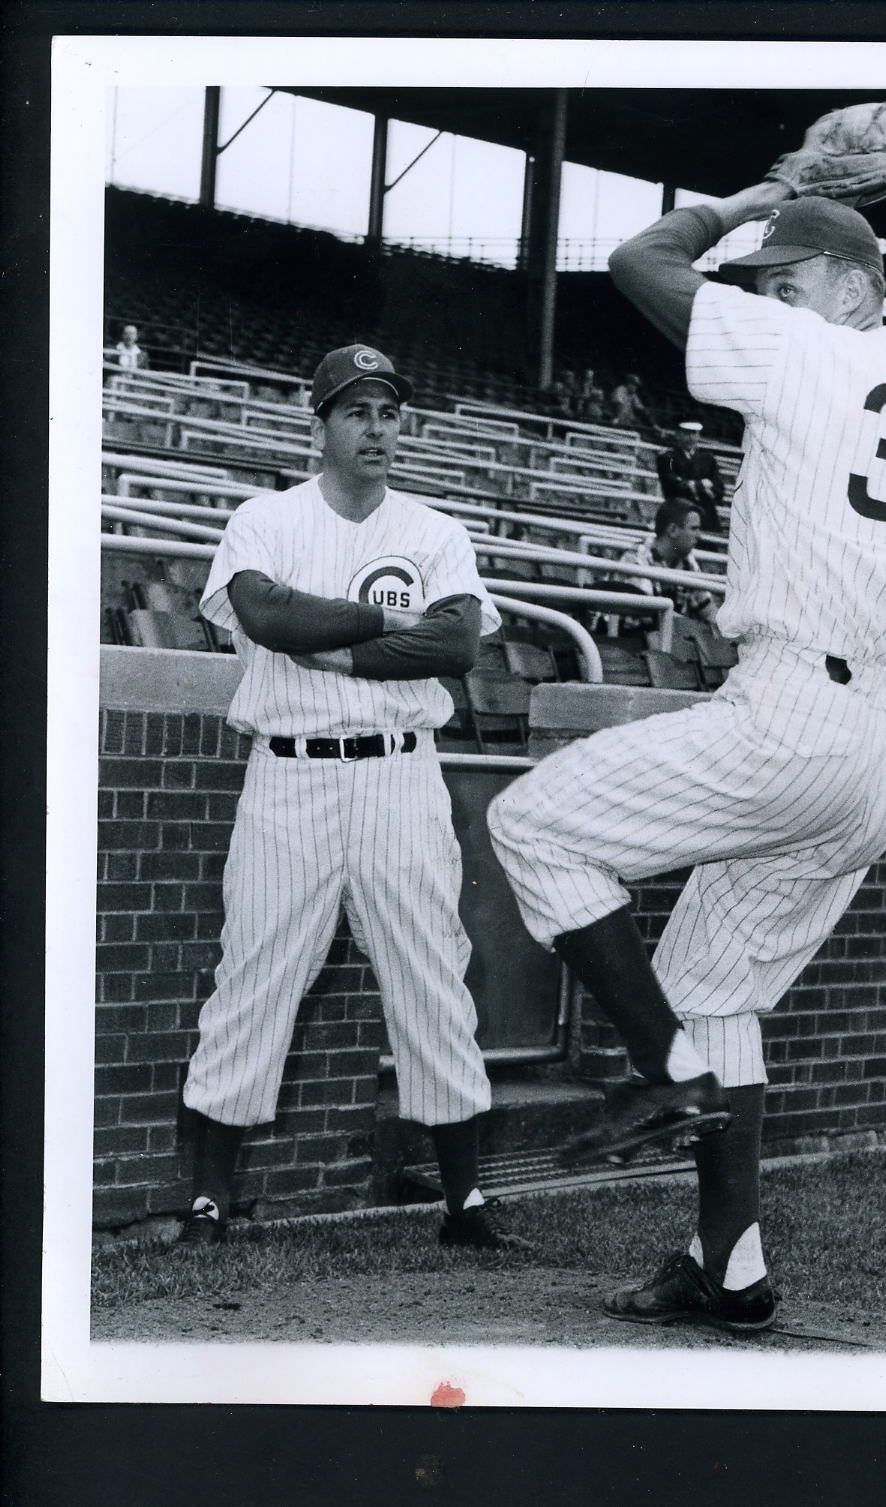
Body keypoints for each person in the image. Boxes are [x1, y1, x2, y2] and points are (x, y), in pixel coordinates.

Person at [487, 187, 886, 1333]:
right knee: (717, 995)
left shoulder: (819, 352)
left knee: (532, 824)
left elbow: (638, 259)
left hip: (795, 708)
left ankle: (661, 1071)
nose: (772, 304)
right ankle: (729, 1268)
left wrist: (738, 204)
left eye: (790, 283)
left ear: (854, 292)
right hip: (876, 745)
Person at [175, 343, 529, 1253]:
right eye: (356, 410)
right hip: (288, 772)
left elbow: (457, 645)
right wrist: (385, 619)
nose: (377, 427)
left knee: (431, 973)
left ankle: (466, 1204)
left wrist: (337, 641)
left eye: (389, 411)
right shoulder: (267, 516)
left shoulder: (432, 528)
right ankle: (208, 1203)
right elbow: (268, 617)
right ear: (321, 424)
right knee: (253, 971)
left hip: (400, 775)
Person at [620, 498, 717, 624]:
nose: (699, 536)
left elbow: (708, 610)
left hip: (667, 636)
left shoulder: (688, 561)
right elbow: (649, 613)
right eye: (694, 529)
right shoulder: (636, 557)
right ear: (672, 530)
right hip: (629, 638)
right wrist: (692, 626)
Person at [655, 421, 723, 533]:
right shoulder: (668, 457)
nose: (691, 437)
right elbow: (672, 485)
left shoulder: (708, 459)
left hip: (706, 517)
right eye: (686, 433)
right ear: (678, 434)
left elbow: (719, 488)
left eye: (694, 433)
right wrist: (701, 485)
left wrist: (692, 485)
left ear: (699, 435)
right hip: (679, 515)